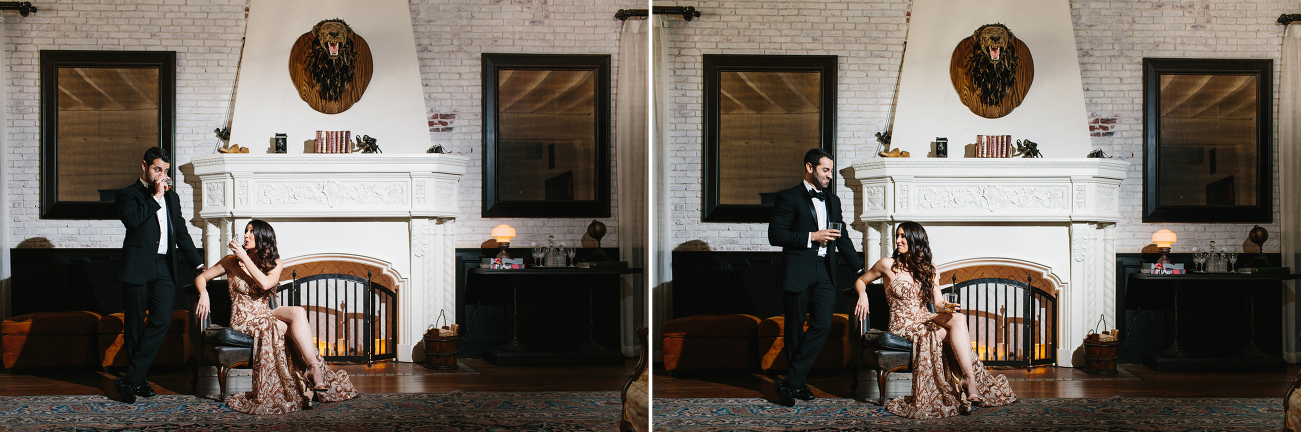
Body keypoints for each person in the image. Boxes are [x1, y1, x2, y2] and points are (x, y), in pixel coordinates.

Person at [853, 222, 1017, 418]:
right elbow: (861, 280)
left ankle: (968, 378)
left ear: (916, 239)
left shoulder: (930, 268)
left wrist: (948, 308)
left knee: (958, 318)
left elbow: (937, 303)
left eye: (903, 236)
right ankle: (961, 382)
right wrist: (862, 294)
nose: (898, 240)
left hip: (925, 316)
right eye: (898, 236)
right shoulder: (887, 264)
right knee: (948, 333)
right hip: (903, 323)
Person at [194, 220, 358, 414]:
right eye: (246, 231)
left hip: (264, 312)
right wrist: (203, 293)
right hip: (243, 318)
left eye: (252, 232)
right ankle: (305, 377)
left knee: (298, 312)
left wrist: (245, 259)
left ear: (263, 237)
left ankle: (313, 367)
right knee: (288, 329)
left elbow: (264, 284)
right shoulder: (231, 261)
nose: (246, 235)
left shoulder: (275, 264)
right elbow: (201, 278)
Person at [767, 148, 863, 407]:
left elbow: (842, 238)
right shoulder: (787, 197)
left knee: (822, 323)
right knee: (795, 330)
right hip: (797, 270)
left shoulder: (833, 201)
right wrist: (812, 236)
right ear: (809, 168)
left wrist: (860, 269)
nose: (830, 175)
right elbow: (775, 235)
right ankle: (797, 383)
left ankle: (792, 380)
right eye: (825, 170)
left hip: (825, 271)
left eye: (831, 171)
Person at [113, 147, 205, 403]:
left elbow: (182, 234)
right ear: (144, 166)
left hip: (165, 266)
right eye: (157, 170)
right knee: (133, 327)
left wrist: (198, 264)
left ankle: (130, 379)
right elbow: (132, 221)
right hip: (137, 266)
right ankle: (138, 381)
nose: (161, 175)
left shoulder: (172, 199)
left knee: (162, 321)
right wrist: (155, 196)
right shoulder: (127, 194)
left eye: (165, 171)